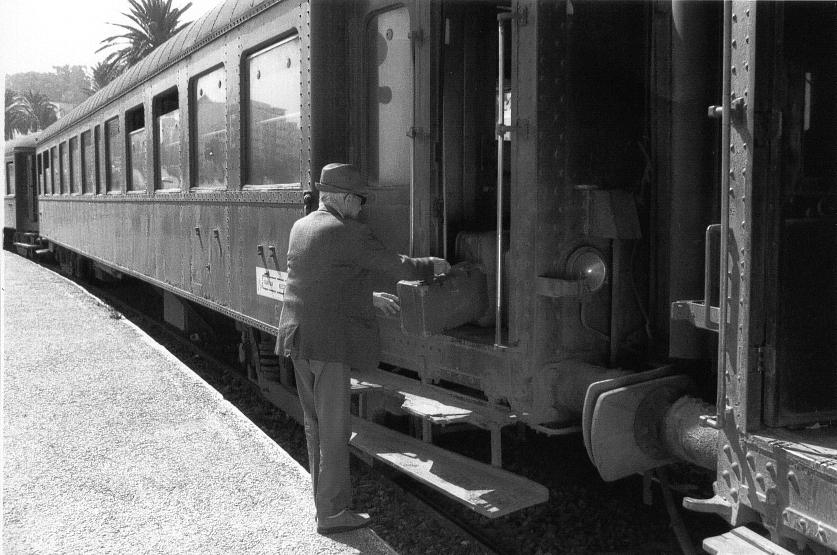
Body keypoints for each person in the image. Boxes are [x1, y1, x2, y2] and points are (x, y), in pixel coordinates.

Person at [275, 163, 449, 534]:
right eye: (360, 200)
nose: (362, 208)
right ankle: (334, 515)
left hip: (298, 339)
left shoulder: (302, 227)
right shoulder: (345, 231)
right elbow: (395, 264)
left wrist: (367, 297)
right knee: (335, 429)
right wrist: (432, 266)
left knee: (315, 425)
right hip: (328, 345)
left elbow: (319, 280)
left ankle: (323, 505)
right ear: (343, 198)